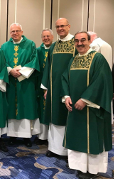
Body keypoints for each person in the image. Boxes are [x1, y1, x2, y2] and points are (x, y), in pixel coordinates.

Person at [62, 31, 113, 179]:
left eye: (83, 40)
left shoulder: (98, 58)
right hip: (74, 108)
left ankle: (92, 169)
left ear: (90, 41)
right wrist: (66, 97)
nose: (79, 43)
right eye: (76, 41)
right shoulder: (73, 60)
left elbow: (102, 81)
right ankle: (79, 166)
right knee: (77, 136)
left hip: (91, 109)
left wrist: (85, 99)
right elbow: (64, 78)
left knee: (91, 137)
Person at [41, 18, 77, 159]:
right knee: (54, 116)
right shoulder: (54, 46)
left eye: (63, 26)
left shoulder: (76, 43)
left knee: (68, 118)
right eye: (58, 26)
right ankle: (54, 148)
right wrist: (46, 88)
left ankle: (68, 150)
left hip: (70, 88)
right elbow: (48, 67)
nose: (60, 28)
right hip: (54, 88)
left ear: (69, 26)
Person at [1, 23, 40, 147]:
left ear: (22, 32)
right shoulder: (4, 46)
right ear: (10, 33)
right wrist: (10, 71)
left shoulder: (30, 44)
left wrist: (21, 72)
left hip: (26, 82)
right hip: (11, 82)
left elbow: (34, 60)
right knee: (11, 106)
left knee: (25, 106)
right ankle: (12, 135)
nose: (15, 33)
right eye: (12, 31)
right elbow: (2, 62)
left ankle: (26, 137)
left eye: (17, 31)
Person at [35, 28, 54, 145]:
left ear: (52, 37)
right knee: (41, 109)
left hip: (53, 84)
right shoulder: (37, 51)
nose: (46, 38)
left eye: (48, 36)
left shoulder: (56, 49)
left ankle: (52, 137)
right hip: (40, 83)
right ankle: (42, 135)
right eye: (44, 37)